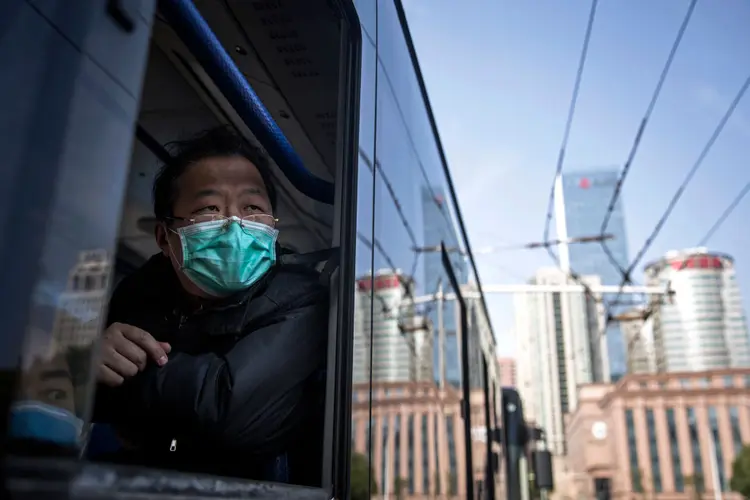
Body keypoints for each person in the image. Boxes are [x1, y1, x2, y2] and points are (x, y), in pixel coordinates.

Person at [90, 126, 332, 484]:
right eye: (209, 209)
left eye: (253, 208)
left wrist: (123, 378)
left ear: (273, 227)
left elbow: (231, 416)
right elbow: (85, 396)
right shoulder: (139, 291)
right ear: (164, 237)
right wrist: (89, 361)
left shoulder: (301, 298)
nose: (235, 225)